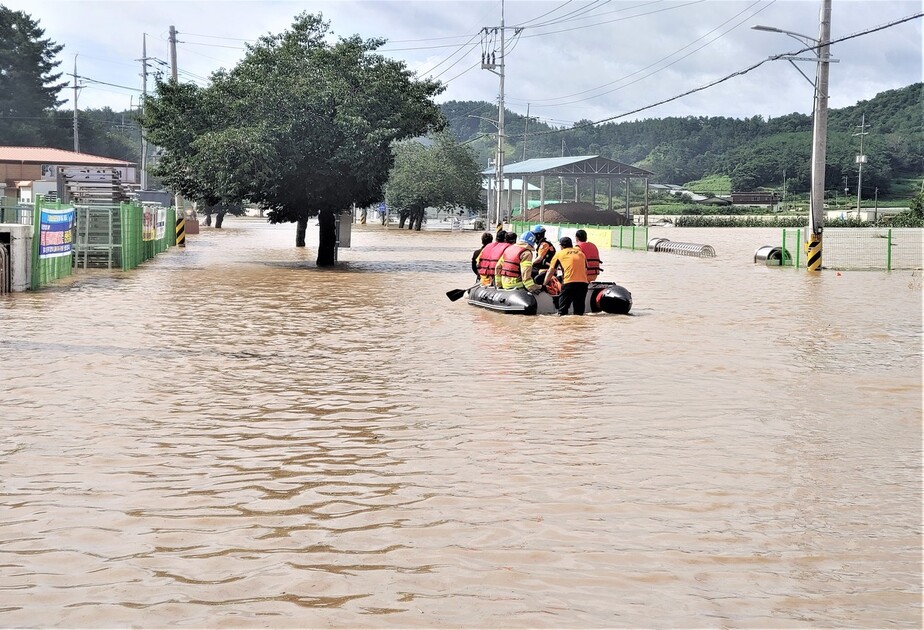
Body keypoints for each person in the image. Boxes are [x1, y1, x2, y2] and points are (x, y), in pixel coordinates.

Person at [543, 236, 589, 315]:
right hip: (583, 284)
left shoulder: (559, 254)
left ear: (561, 246)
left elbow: (551, 271)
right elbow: (585, 269)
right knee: (579, 312)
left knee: (562, 312)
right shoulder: (581, 253)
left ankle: (564, 326)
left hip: (569, 283)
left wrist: (544, 284)